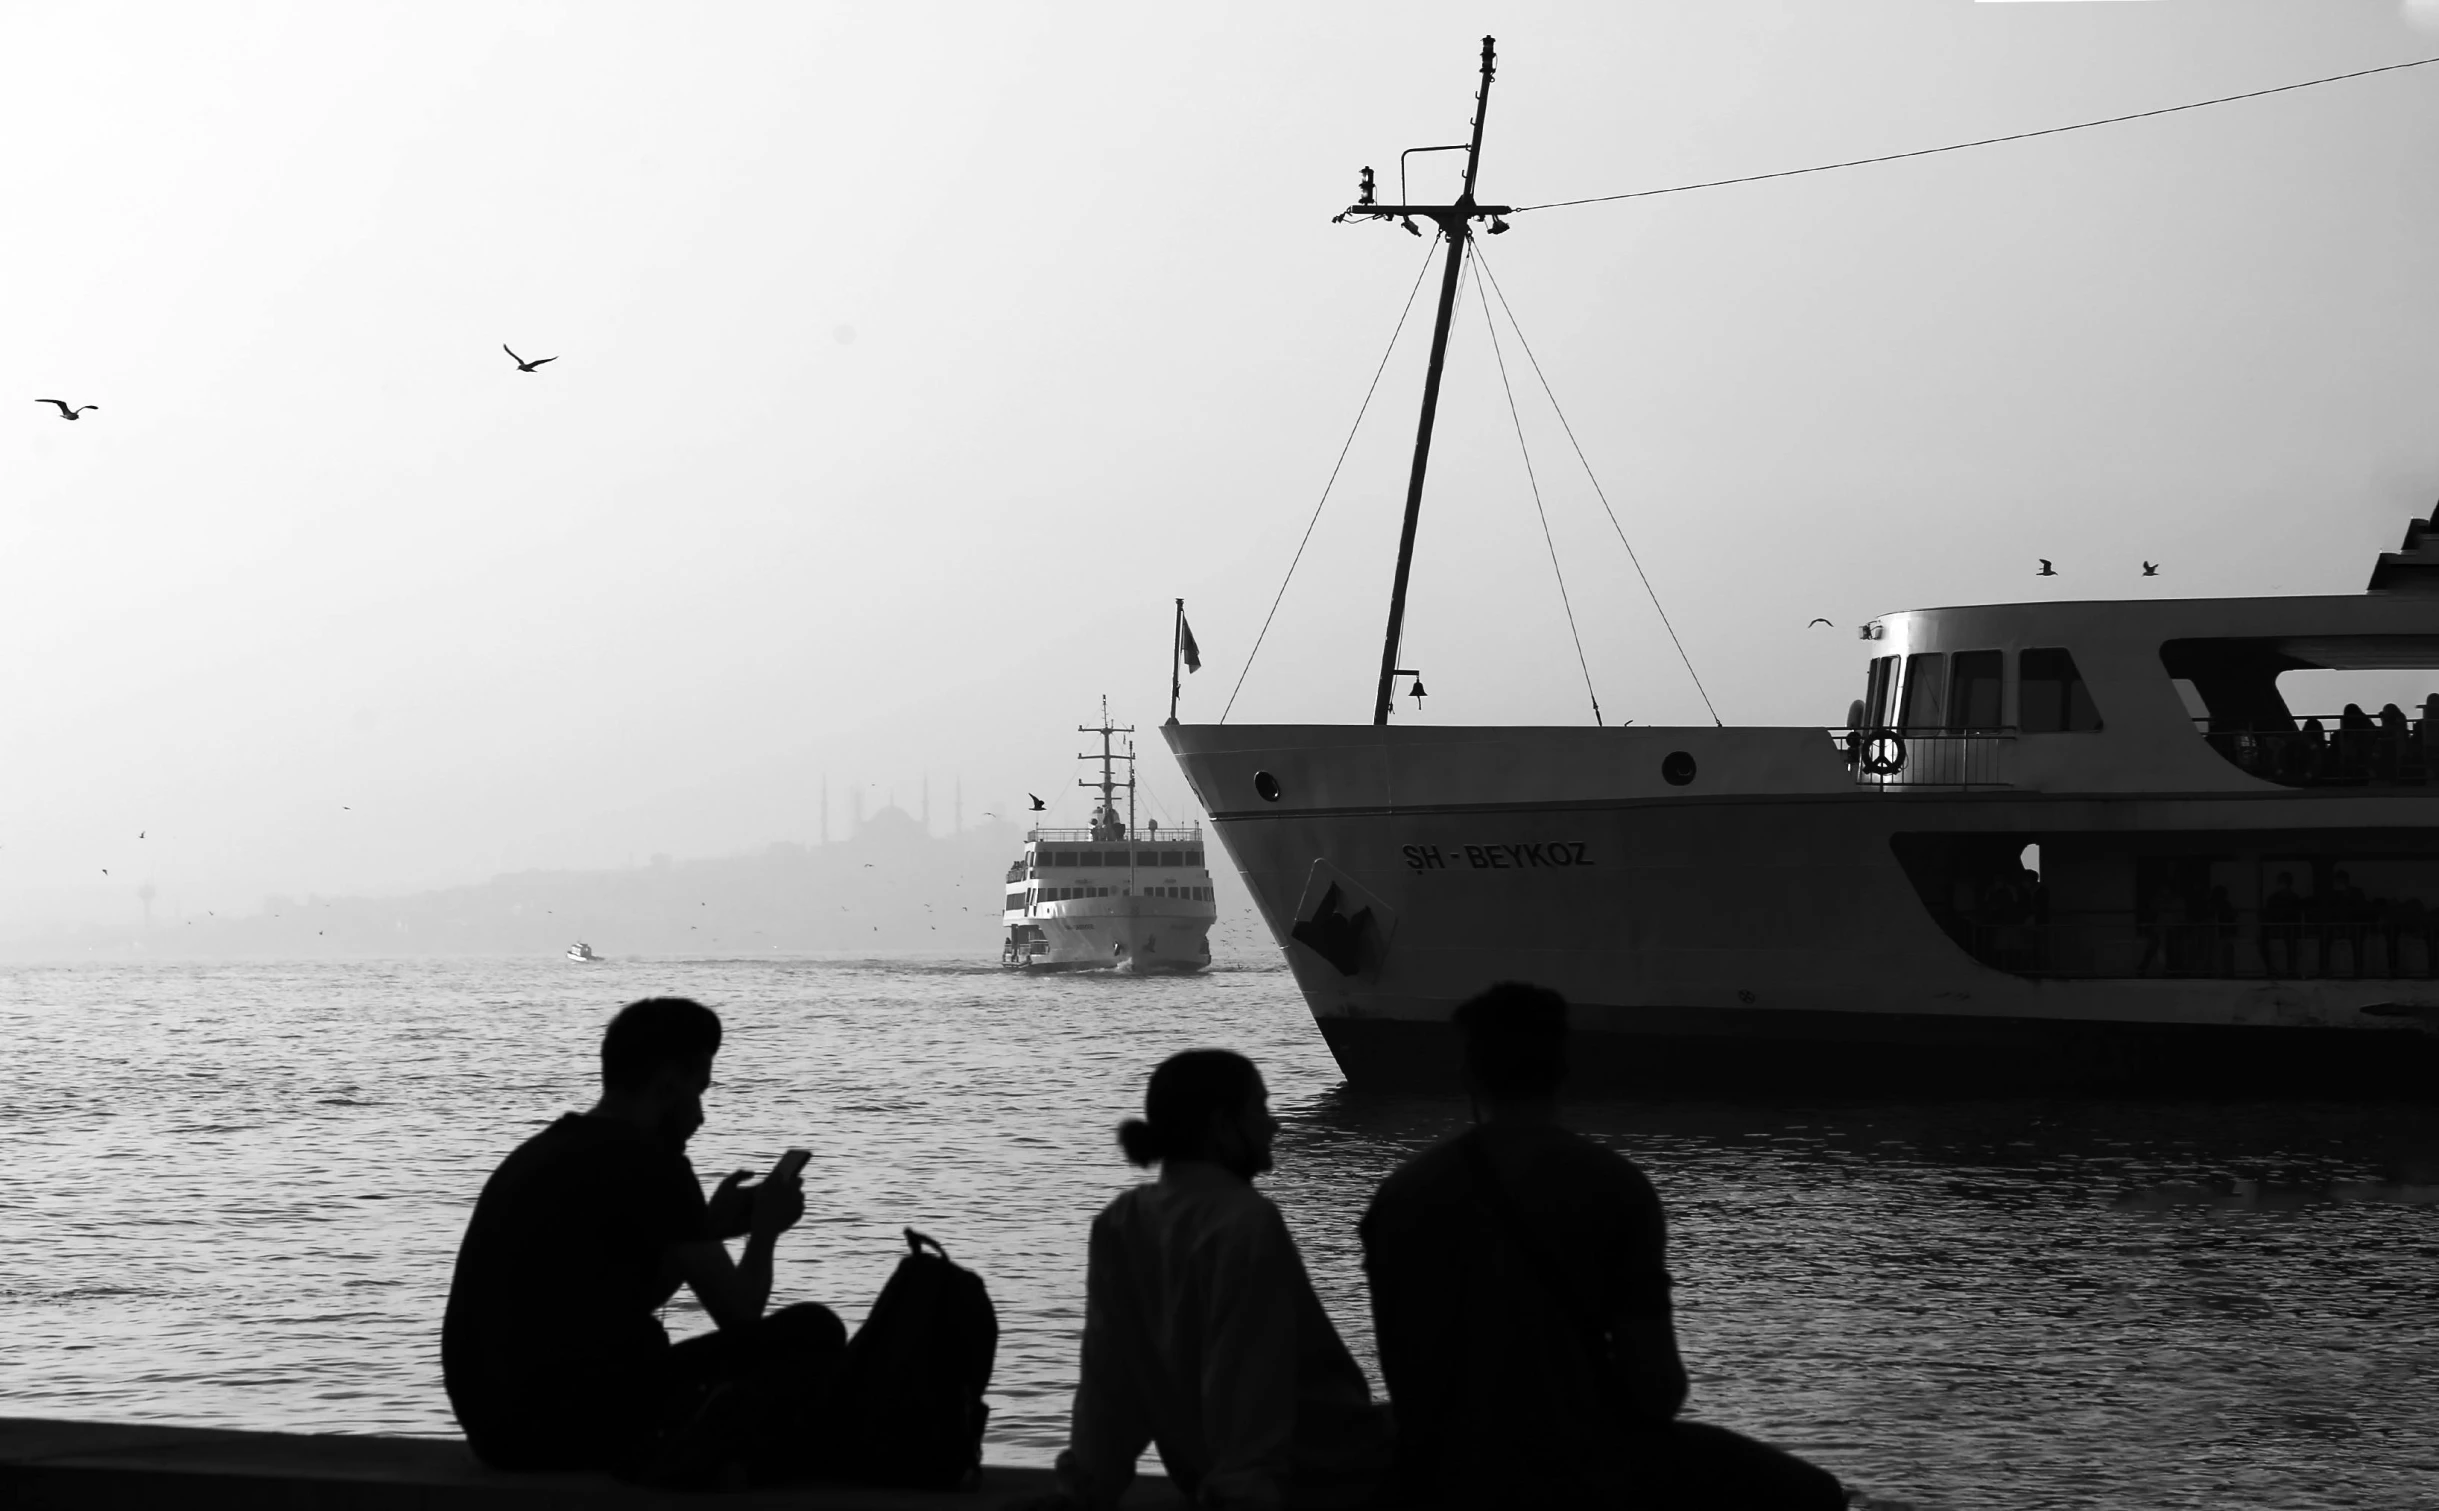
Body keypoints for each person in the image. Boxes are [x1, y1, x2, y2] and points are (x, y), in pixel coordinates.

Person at [1360, 983, 1844, 1509]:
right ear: (1563, 1072)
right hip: (1581, 1465)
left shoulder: (1402, 1195)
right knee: (1815, 1493)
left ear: (1468, 1076)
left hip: (1441, 1467)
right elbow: (1658, 1389)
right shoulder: (1616, 1187)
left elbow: (1402, 1368)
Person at [443, 996, 844, 1479]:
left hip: (499, 1433)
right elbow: (741, 1317)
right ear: (667, 1084)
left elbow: (615, 1299)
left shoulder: (546, 1150)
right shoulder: (655, 1164)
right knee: (815, 1330)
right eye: (698, 1092)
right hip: (576, 1429)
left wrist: (705, 1230)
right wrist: (764, 1232)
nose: (701, 1116)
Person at [1045, 1050, 1391, 1511]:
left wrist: (1086, 1487)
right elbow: (1248, 1375)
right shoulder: (1246, 1220)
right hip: (1317, 1474)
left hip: (1210, 1473)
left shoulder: (1120, 1220)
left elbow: (1107, 1381)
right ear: (1221, 1125)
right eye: (1260, 1109)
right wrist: (1243, 1489)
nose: (1275, 1126)